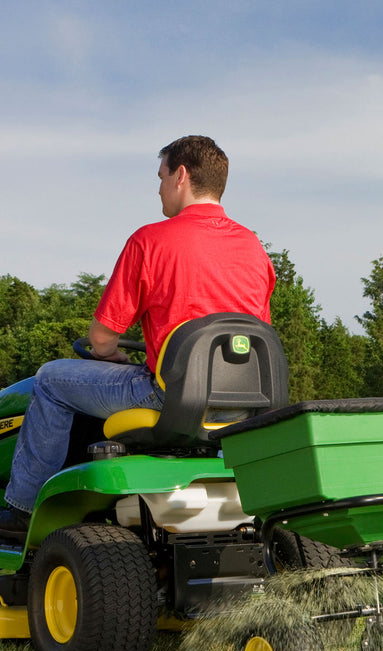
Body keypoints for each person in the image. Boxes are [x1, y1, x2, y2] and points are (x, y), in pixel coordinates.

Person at [0, 135, 276, 539]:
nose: (158, 187)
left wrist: (109, 355)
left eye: (161, 176)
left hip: (170, 398)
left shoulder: (151, 240)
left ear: (180, 175)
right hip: (243, 406)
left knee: (51, 379)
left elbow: (101, 337)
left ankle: (22, 507)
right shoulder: (254, 248)